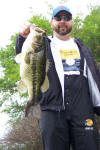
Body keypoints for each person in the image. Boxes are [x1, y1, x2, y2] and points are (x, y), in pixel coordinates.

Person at [15, 5, 100, 150]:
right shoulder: (44, 43)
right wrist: (23, 38)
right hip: (51, 108)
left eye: (66, 18)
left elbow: (95, 80)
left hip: (83, 110)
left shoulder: (82, 47)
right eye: (58, 18)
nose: (62, 21)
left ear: (72, 22)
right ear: (51, 22)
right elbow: (23, 56)